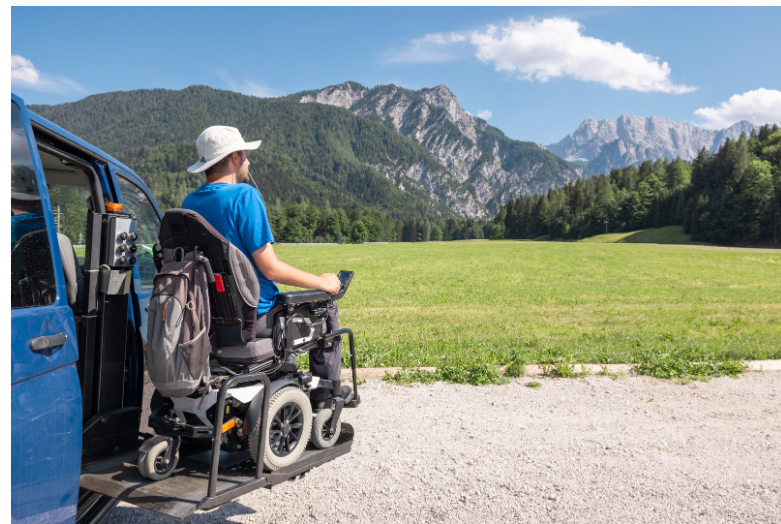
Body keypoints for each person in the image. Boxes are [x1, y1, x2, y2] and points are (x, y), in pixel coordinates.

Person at [182, 126, 347, 410]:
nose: (249, 162)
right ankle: (326, 397)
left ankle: (284, 379)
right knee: (325, 306)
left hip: (210, 318)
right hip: (253, 317)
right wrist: (322, 283)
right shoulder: (244, 197)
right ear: (235, 157)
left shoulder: (190, 204)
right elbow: (270, 269)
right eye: (246, 156)